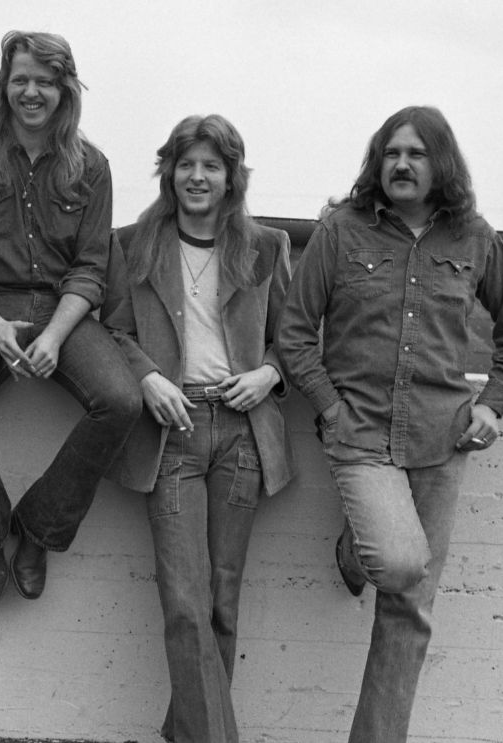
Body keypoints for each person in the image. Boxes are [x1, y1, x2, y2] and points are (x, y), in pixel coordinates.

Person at [277, 105, 503, 743]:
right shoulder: (340, 231)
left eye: (415, 153)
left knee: (409, 609)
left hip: (443, 438)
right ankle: (360, 545)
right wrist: (330, 408)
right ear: (376, 162)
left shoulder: (474, 238)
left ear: (440, 162)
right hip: (358, 432)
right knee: (399, 562)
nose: (402, 164)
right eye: (391, 153)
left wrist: (492, 404)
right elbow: (296, 333)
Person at [102, 115, 294, 743]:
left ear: (232, 176)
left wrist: (269, 374)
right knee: (185, 603)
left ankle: (185, 733)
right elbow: (112, 330)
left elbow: (295, 338)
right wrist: (147, 376)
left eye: (212, 165)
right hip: (174, 432)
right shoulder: (133, 244)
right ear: (169, 170)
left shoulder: (265, 247)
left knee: (220, 602)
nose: (198, 176)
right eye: (187, 164)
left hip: (242, 434)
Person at [0, 30, 140, 605]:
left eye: (45, 82)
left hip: (63, 310)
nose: (32, 92)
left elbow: (91, 270)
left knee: (121, 401)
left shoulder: (91, 166)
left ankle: (38, 529)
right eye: (21, 79)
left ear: (64, 90)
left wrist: (53, 334)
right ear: (4, 86)